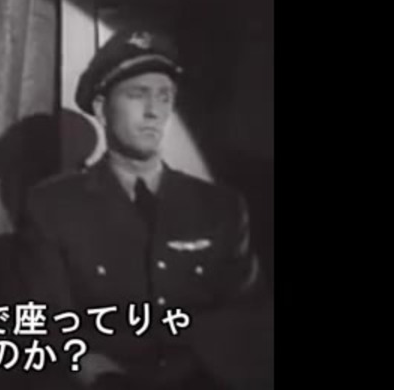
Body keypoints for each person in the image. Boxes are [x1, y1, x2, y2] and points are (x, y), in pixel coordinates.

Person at [16, 30, 272, 390]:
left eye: (164, 97)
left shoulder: (220, 208)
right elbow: (46, 323)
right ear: (102, 108)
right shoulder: (54, 206)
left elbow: (249, 319)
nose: (154, 111)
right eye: (137, 94)